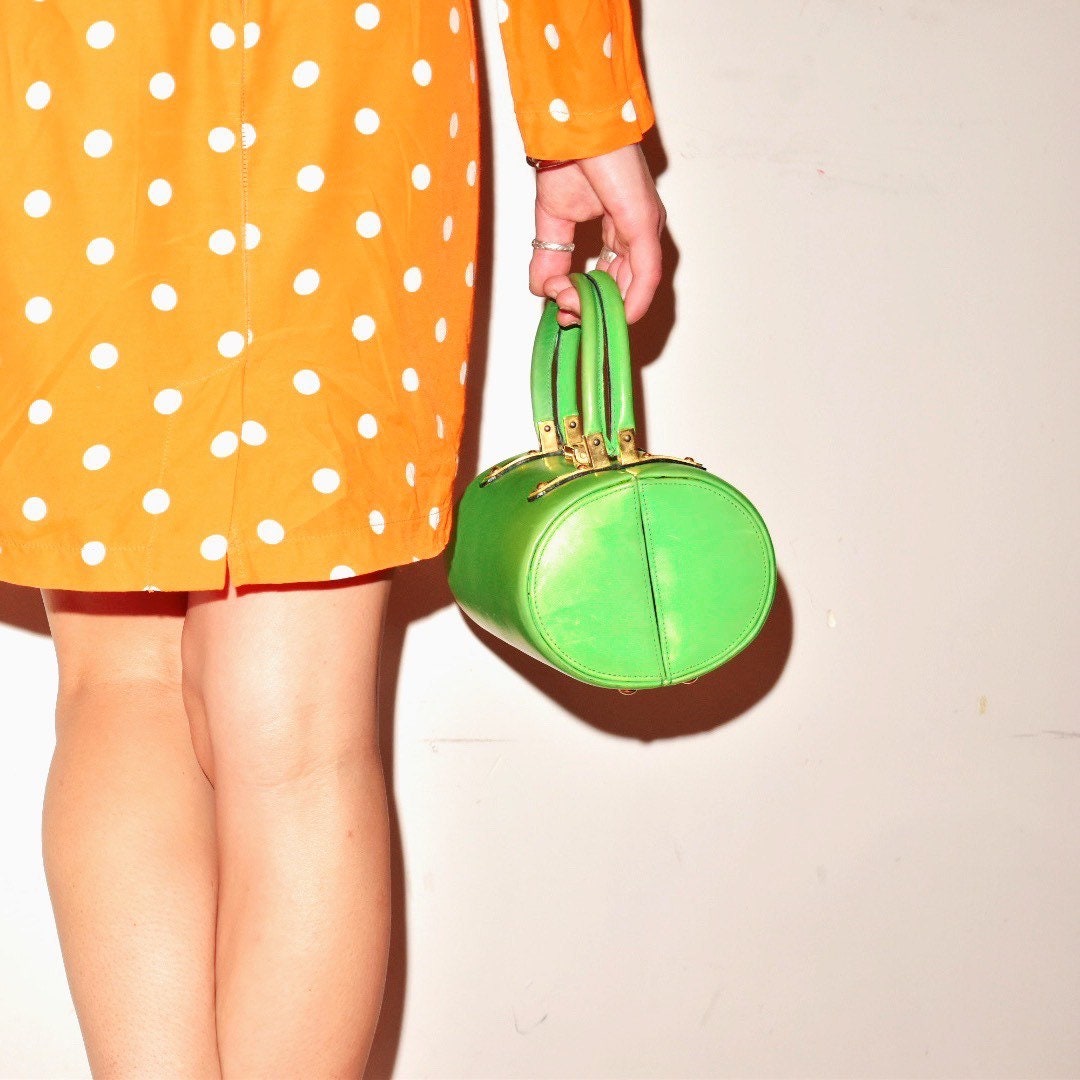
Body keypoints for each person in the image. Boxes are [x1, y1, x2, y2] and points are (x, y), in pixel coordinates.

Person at [0, 1, 666, 1074]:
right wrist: (581, 96)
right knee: (295, 739)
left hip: (62, 60)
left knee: (116, 687)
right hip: (331, 58)